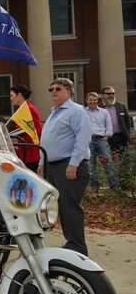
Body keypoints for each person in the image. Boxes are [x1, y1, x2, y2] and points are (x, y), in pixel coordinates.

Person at [37, 78, 92, 256]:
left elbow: (83, 139)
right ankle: (71, 244)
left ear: (69, 92)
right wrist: (41, 162)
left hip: (69, 166)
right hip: (53, 166)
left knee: (70, 206)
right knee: (62, 205)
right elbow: (47, 140)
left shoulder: (76, 111)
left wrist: (73, 164)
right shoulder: (55, 113)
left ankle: (78, 247)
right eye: (51, 88)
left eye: (58, 89)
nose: (53, 91)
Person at [84, 92, 121, 193]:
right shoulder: (82, 112)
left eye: (94, 99)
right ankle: (95, 188)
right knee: (91, 164)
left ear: (97, 100)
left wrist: (106, 136)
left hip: (101, 140)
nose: (93, 101)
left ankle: (115, 187)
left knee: (107, 163)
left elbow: (109, 125)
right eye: (90, 99)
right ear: (86, 101)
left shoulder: (103, 112)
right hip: (88, 140)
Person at [8, 84, 42, 171]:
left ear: (19, 95)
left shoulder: (29, 109)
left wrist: (10, 135)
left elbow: (35, 131)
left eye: (12, 95)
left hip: (32, 154)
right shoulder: (23, 109)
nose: (10, 98)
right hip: (25, 153)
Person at [100, 85, 131, 154]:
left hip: (122, 137)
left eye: (113, 93)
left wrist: (127, 133)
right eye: (108, 94)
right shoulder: (99, 108)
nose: (111, 95)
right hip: (106, 139)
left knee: (125, 160)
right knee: (108, 160)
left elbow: (127, 121)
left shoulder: (121, 106)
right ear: (102, 95)